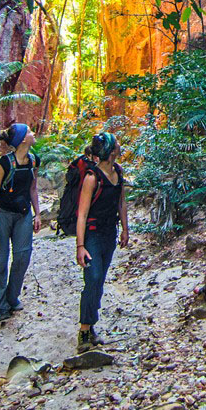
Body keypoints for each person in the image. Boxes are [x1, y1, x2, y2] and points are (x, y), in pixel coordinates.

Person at [76, 132, 129, 350]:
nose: (119, 146)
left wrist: (125, 229)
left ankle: (90, 325)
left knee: (99, 280)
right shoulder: (92, 178)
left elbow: (121, 203)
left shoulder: (118, 172)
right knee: (93, 277)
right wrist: (80, 246)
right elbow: (82, 213)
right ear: (110, 150)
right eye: (116, 144)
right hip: (93, 234)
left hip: (109, 233)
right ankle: (83, 331)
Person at [0, 122, 42, 321]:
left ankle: (12, 297)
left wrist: (38, 213)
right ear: (22, 140)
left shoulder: (34, 161)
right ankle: (0, 306)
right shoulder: (4, 164)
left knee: (22, 256)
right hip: (2, 215)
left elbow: (33, 188)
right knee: (0, 260)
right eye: (29, 132)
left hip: (23, 215)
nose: (33, 133)